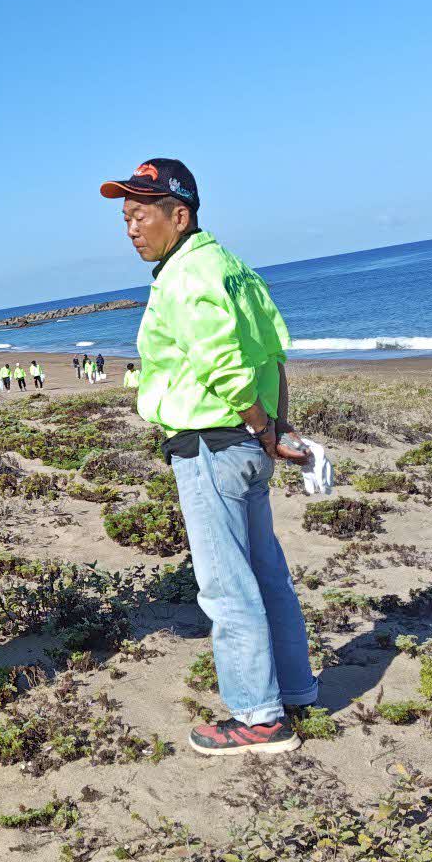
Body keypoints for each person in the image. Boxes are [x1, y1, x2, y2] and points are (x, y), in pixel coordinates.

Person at [99, 158, 318, 757]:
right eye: (125, 217)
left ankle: (259, 716)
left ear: (180, 214)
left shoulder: (186, 276)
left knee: (226, 584)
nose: (131, 228)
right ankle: (295, 688)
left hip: (210, 444)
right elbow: (273, 353)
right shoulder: (231, 267)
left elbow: (223, 364)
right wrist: (276, 428)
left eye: (141, 214)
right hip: (244, 444)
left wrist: (257, 421)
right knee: (266, 569)